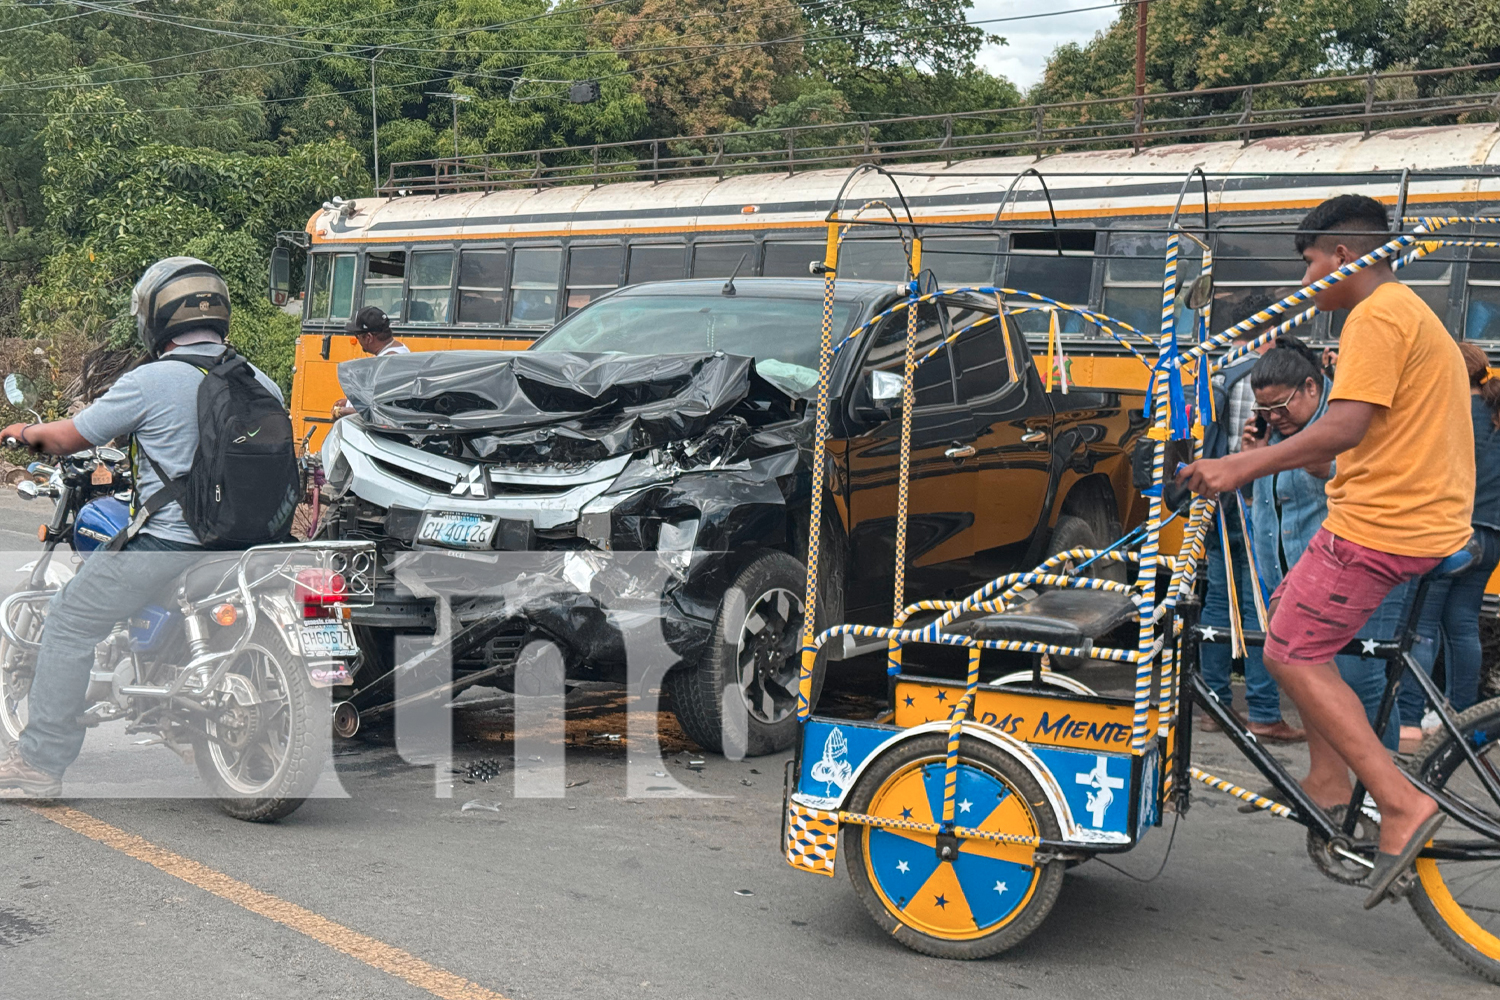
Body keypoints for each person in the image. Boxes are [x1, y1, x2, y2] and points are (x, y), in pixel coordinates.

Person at [1178, 194, 1475, 907]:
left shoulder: (1375, 315)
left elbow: (1343, 425)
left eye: (1309, 261)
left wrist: (1238, 467)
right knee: (1287, 612)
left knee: (1289, 654)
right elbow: (1371, 436)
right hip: (1408, 512)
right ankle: (1327, 776)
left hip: (1384, 525)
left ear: (1342, 255)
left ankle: (1399, 802)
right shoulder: (1409, 312)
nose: (1307, 278)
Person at [0, 257, 286, 797]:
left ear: (156, 318)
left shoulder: (152, 380)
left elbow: (66, 439)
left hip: (176, 544)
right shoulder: (259, 381)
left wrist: (21, 431)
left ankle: (39, 761)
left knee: (69, 619)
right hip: (255, 543)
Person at [1239, 336, 1424, 755]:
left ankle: (1382, 777)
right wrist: (1253, 456)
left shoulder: (1342, 427)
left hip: (1358, 570)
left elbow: (1373, 477)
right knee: (1315, 679)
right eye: (1264, 410)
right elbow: (1264, 506)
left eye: (1280, 406)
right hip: (1293, 578)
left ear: (1311, 386)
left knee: (1362, 679)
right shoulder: (1276, 434)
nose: (1274, 417)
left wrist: (1324, 464)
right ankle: (1336, 782)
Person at [1199, 325, 1303, 742]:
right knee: (1260, 609)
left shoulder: (1218, 375)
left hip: (1215, 502)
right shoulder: (1267, 379)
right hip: (1256, 505)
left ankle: (1213, 704)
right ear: (1271, 334)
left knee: (1218, 605)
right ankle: (1262, 710)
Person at [1395, 342, 1500, 744]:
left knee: (1420, 627)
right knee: (1462, 626)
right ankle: (1466, 725)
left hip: (1447, 533)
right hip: (1490, 537)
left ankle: (1407, 720)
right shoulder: (1495, 414)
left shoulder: (1449, 414)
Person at [333, 306, 408, 417]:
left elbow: (383, 411)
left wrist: (345, 412)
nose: (358, 341)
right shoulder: (400, 350)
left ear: (368, 337)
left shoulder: (386, 364)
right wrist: (349, 403)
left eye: (357, 336)